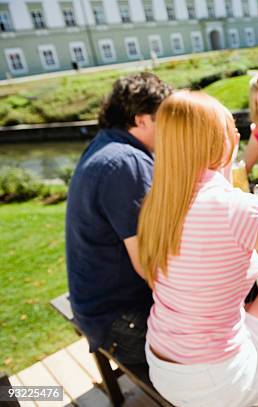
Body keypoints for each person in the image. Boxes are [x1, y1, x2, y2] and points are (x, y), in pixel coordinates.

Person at [138, 91, 258, 407]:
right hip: (217, 382)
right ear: (217, 141)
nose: (237, 134)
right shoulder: (239, 209)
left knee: (250, 306)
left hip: (162, 363)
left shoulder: (157, 204)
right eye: (230, 129)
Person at [65, 72, 172, 365]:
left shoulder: (106, 147)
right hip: (120, 319)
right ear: (141, 119)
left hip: (97, 307)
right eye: (165, 117)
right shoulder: (127, 163)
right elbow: (150, 266)